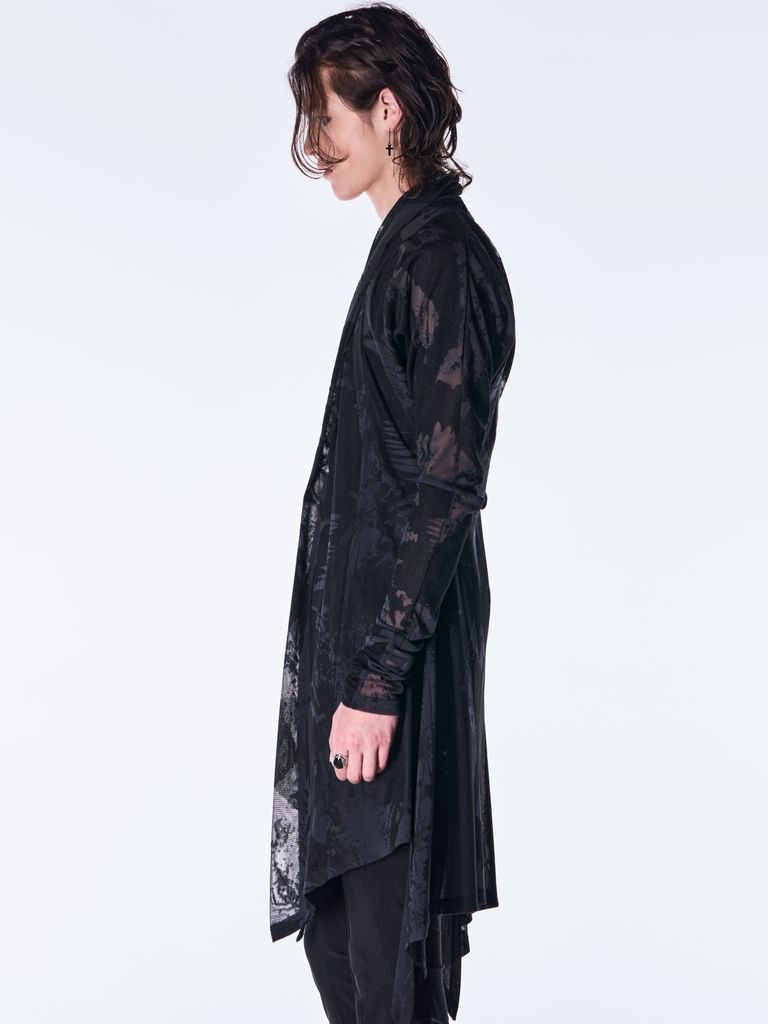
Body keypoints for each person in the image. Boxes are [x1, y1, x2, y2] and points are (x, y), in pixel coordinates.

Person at [269, 5, 516, 1022]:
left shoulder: (442, 258)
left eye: (327, 117)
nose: (317, 142)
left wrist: (377, 680)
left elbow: (448, 484)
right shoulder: (404, 250)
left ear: (387, 111)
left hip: (395, 674)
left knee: (392, 967)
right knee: (343, 943)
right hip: (361, 665)